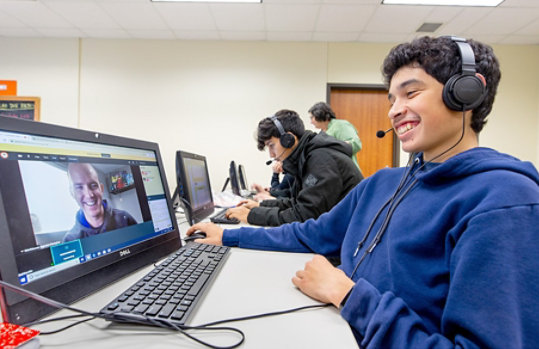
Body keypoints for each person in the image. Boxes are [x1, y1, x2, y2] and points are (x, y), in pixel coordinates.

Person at [187, 36, 539, 347]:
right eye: (392, 99)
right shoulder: (385, 183)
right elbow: (311, 234)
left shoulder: (505, 201)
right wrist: (229, 236)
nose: (395, 110)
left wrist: (347, 295)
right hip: (335, 326)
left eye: (411, 93)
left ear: (467, 93)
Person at [226, 109, 362, 227]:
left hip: (348, 242)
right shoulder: (307, 157)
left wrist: (252, 215)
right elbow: (298, 203)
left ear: (288, 139)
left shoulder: (321, 158)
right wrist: (260, 206)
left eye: (271, 145)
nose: (271, 154)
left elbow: (304, 216)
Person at [63, 163, 137, 242]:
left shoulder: (125, 219)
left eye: (93, 185)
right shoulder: (69, 240)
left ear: (101, 188)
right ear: (72, 193)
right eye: (79, 187)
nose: (89, 195)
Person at [309, 101, 362, 171]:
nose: (311, 122)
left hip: (347, 172)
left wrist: (334, 147)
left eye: (312, 117)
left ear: (320, 114)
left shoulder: (340, 125)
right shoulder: (321, 133)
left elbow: (356, 144)